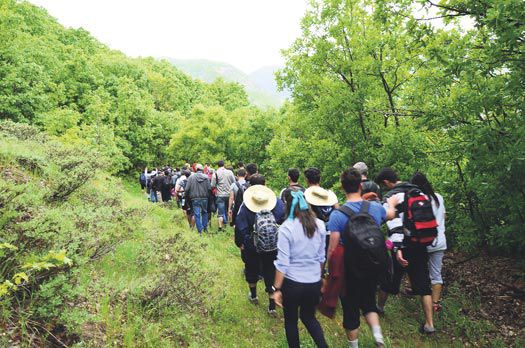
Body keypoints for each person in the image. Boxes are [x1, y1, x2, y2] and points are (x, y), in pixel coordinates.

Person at [326, 168, 398, 348]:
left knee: (350, 309)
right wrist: (393, 204)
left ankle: (354, 346)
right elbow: (390, 215)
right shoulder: (374, 207)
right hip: (372, 264)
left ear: (343, 188)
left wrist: (328, 268)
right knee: (368, 302)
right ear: (360, 186)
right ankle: (378, 336)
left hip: (350, 268)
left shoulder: (337, 215)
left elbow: (333, 248)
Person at [375, 167, 436, 334]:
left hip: (403, 246)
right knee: (424, 284)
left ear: (386, 182)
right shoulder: (419, 192)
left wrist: (398, 248)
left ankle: (379, 308)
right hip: (421, 244)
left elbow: (394, 225)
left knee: (389, 278)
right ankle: (430, 323)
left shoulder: (391, 197)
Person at [272, 190, 328, 348]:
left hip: (292, 283)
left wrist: (276, 288)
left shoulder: (286, 228)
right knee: (309, 318)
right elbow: (321, 257)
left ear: (287, 205)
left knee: (291, 320)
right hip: (313, 281)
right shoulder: (320, 225)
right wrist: (321, 277)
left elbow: (282, 263)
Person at [234, 174, 285, 315]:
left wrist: (240, 242)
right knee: (270, 271)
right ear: (265, 183)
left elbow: (240, 226)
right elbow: (283, 220)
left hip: (252, 245)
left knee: (251, 269)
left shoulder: (246, 206)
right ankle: (271, 306)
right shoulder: (277, 202)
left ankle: (254, 295)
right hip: (272, 245)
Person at [410, 172, 447, 312]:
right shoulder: (438, 198)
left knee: (419, 270)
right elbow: (444, 216)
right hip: (439, 241)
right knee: (436, 274)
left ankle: (419, 292)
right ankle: (435, 303)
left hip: (423, 241)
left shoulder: (418, 199)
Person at [304, 167, 338, 259]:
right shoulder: (329, 194)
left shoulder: (306, 195)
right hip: (331, 232)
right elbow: (337, 211)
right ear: (320, 179)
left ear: (307, 180)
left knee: (316, 259)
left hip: (315, 232)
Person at [185, 164, 211, 234]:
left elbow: (187, 189)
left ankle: (200, 230)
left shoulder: (191, 177)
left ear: (196, 169)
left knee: (197, 214)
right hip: (205, 198)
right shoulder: (206, 177)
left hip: (194, 198)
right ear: (202, 169)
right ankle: (205, 228)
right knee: (204, 212)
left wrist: (187, 197)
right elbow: (209, 188)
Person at [211, 160, 236, 231]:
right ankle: (228, 224)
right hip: (229, 194)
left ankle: (222, 225)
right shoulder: (230, 172)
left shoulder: (215, 173)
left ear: (217, 165)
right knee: (228, 209)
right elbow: (234, 182)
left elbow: (212, 185)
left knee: (221, 212)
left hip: (220, 195)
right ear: (224, 165)